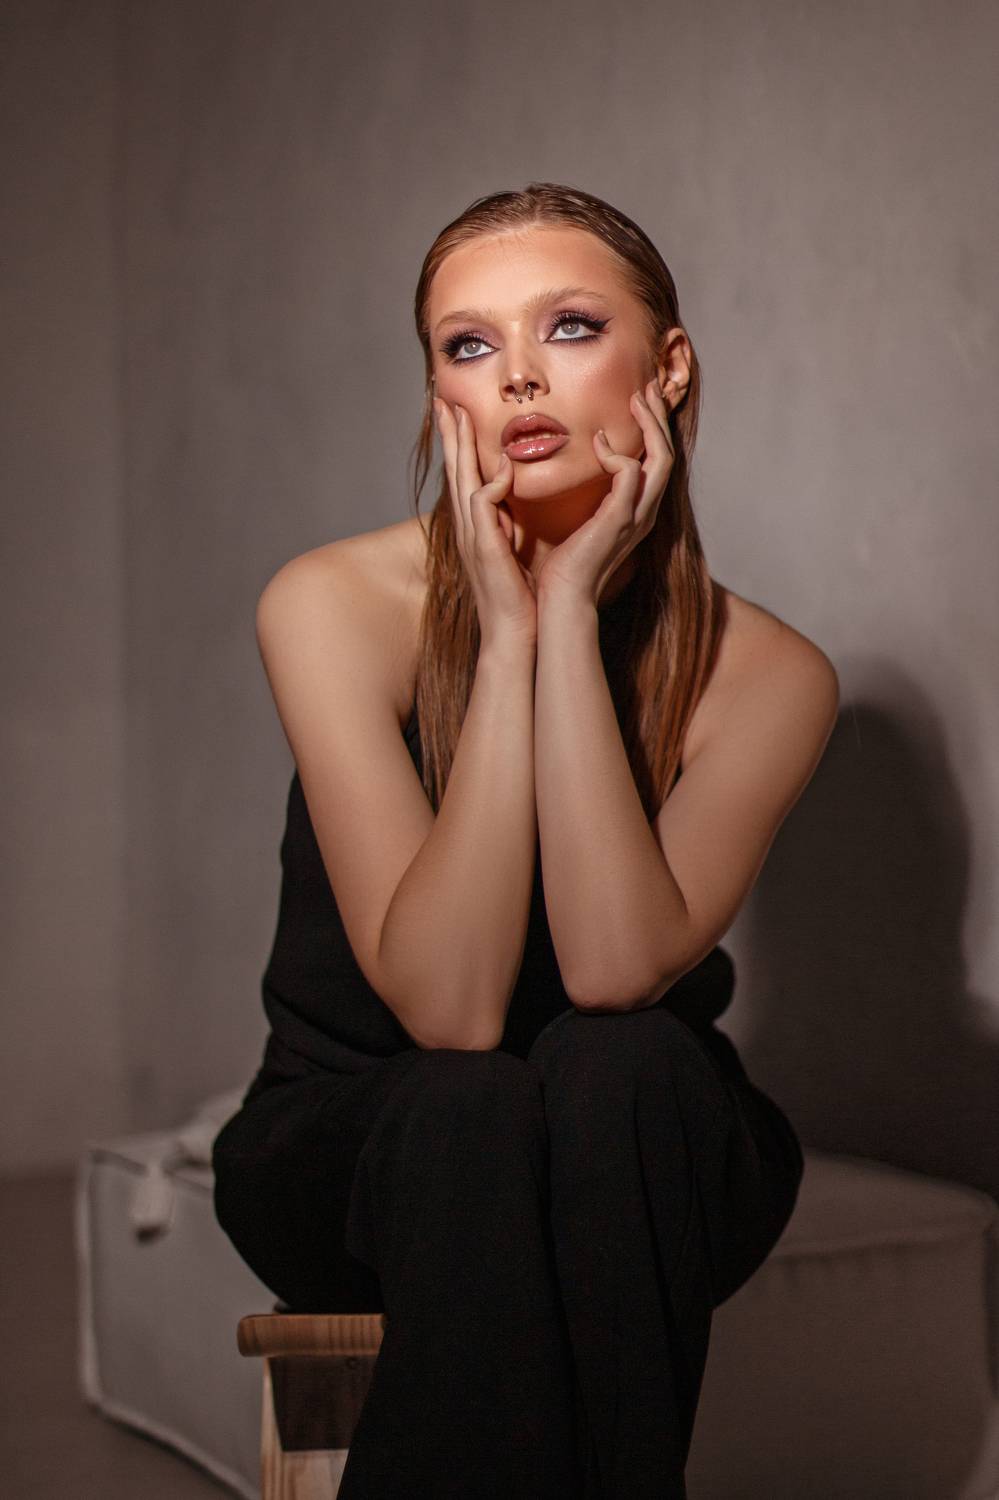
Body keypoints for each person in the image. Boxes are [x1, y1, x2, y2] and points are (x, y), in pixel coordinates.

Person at [212, 181, 839, 1499]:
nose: (518, 379)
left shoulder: (771, 674)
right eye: (469, 344)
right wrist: (505, 634)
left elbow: (612, 973)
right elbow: (450, 1011)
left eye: (569, 327)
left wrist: (568, 608)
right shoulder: (330, 603)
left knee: (626, 1060)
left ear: (669, 368)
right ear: (437, 389)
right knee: (470, 1105)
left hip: (636, 1147)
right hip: (366, 1142)